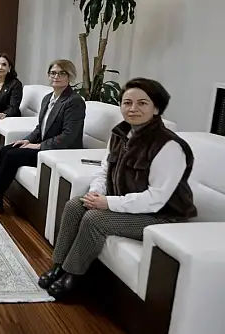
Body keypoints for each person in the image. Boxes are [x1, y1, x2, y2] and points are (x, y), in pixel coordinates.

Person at [39, 78, 197, 299]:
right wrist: (96, 193)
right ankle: (59, 266)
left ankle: (74, 275)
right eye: (127, 103)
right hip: (127, 204)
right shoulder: (120, 134)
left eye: (142, 103)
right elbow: (104, 171)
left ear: (156, 108)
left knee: (95, 219)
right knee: (75, 205)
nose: (133, 108)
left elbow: (156, 198)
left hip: (160, 215)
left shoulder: (169, 146)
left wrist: (108, 203)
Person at [0, 59, 86, 212]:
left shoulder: (74, 101)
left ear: (70, 76)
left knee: (12, 156)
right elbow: (40, 127)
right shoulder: (48, 98)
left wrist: (38, 145)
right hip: (44, 145)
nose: (56, 76)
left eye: (61, 73)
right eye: (53, 73)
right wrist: (26, 140)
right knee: (6, 149)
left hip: (58, 151)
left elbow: (68, 136)